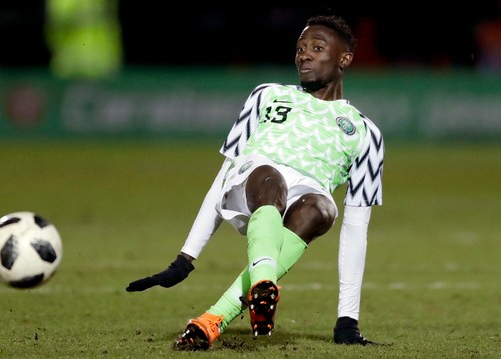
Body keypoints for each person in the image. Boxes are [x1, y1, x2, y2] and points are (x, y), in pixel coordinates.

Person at [126, 15, 384, 350]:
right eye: (300, 48)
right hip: (252, 182)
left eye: (317, 48)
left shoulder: (365, 132)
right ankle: (264, 284)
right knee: (271, 180)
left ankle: (210, 321)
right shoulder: (267, 95)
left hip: (301, 199)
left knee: (323, 208)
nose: (304, 55)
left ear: (344, 59)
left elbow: (356, 227)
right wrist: (186, 257)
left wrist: (347, 320)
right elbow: (223, 174)